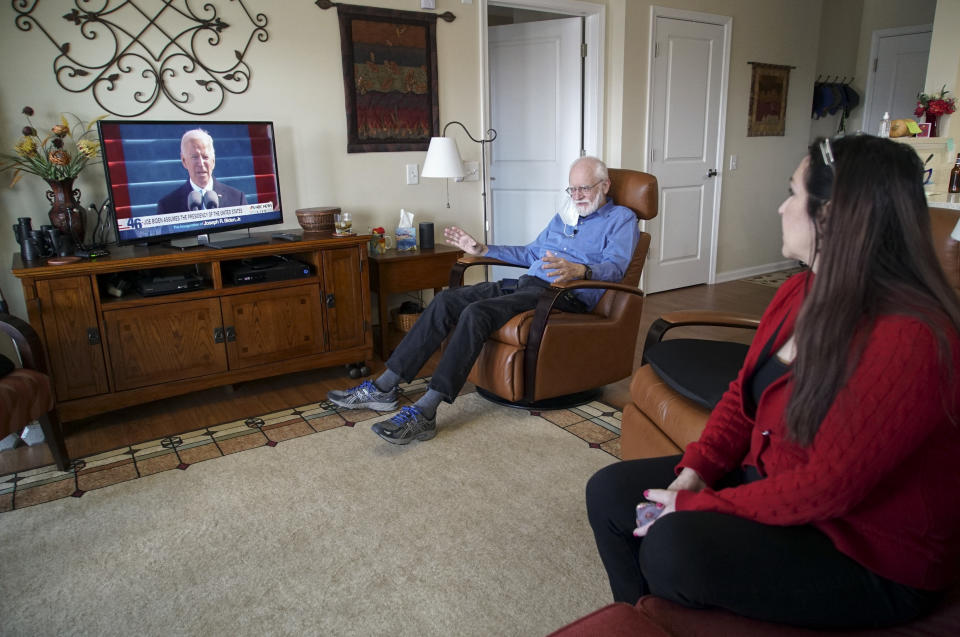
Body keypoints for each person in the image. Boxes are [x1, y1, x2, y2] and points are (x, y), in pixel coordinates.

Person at [585, 134, 960, 630]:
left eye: (793, 194)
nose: (781, 208)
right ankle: (647, 624)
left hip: (863, 549)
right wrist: (692, 473)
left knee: (673, 547)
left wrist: (700, 505)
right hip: (774, 484)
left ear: (833, 215)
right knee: (610, 493)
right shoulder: (798, 290)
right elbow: (742, 399)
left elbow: (828, 489)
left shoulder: (912, 337)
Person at [328, 156, 640, 444]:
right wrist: (482, 249)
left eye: (584, 188)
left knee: (477, 313)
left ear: (605, 185)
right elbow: (531, 252)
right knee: (446, 302)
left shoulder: (621, 219)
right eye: (572, 188)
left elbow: (616, 268)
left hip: (562, 295)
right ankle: (384, 387)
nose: (577, 195)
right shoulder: (565, 217)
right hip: (527, 285)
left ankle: (425, 411)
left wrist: (581, 270)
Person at [155, 129, 246, 215]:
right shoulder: (167, 206)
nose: (201, 164)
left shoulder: (237, 199)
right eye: (195, 157)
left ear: (213, 161)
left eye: (205, 157)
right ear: (184, 161)